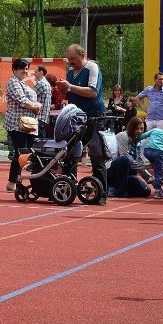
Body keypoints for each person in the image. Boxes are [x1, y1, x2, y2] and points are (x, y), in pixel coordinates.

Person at [57, 43, 108, 204]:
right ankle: (67, 189)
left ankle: (101, 194)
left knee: (97, 155)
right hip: (76, 117)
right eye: (69, 59)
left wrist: (70, 87)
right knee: (70, 152)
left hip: (94, 116)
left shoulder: (92, 68)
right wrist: (63, 89)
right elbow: (69, 94)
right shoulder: (71, 72)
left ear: (82, 55)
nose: (71, 62)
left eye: (73, 58)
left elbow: (93, 92)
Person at [4, 58, 41, 192]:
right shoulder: (13, 82)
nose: (25, 71)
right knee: (21, 153)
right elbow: (22, 100)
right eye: (22, 68)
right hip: (17, 123)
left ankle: (16, 180)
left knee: (25, 154)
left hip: (29, 124)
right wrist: (34, 106)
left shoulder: (23, 83)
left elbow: (32, 100)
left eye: (26, 68)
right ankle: (12, 182)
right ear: (14, 70)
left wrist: (37, 105)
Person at [107, 116, 150, 198]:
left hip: (128, 174)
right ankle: (117, 190)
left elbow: (139, 163)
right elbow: (125, 158)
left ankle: (121, 188)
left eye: (142, 129)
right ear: (131, 127)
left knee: (146, 191)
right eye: (137, 128)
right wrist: (147, 176)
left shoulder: (137, 142)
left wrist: (150, 179)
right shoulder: (123, 136)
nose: (139, 131)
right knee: (127, 159)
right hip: (112, 171)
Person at [140, 125, 163, 198]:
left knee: (155, 166)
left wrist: (135, 140)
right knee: (159, 170)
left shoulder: (155, 130)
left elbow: (144, 135)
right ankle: (158, 190)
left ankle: (157, 184)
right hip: (158, 151)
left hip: (147, 150)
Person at [33, 65, 52, 138]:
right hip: (44, 116)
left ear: (41, 72)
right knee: (41, 140)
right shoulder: (47, 84)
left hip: (39, 116)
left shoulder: (40, 83)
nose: (34, 74)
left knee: (37, 142)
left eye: (35, 72)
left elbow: (30, 96)